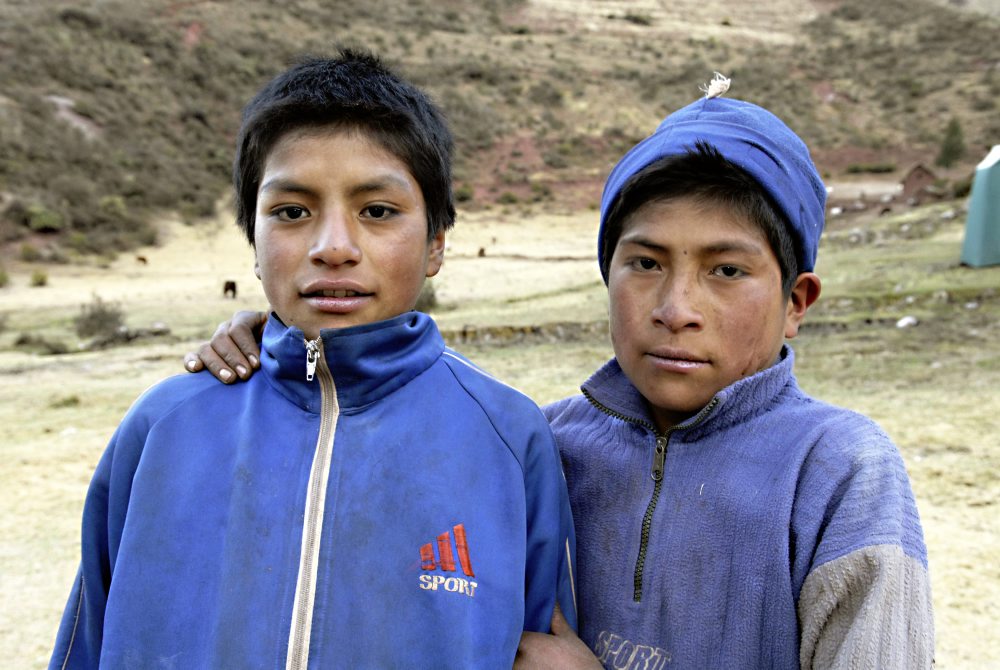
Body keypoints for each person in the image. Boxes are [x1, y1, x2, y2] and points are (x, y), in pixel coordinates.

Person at [189, 82, 934, 669]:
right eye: (643, 263)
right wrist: (290, 344)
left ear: (796, 302)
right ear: (606, 276)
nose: (676, 309)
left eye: (728, 270)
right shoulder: (537, 445)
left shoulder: (841, 475)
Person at [51, 50, 576, 670]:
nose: (333, 247)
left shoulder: (510, 439)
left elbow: (546, 647)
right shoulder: (163, 428)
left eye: (377, 211)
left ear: (436, 243)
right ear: (253, 239)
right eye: (292, 212)